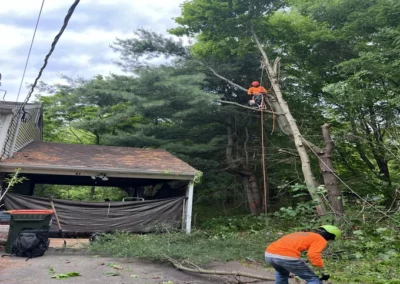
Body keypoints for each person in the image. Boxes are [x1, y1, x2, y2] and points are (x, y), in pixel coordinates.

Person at [265, 225, 341, 284]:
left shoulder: (303, 234)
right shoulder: (320, 239)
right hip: (286, 257)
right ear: (329, 236)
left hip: (269, 254)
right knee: (313, 279)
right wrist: (321, 269)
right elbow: (313, 254)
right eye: (331, 239)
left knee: (282, 273)